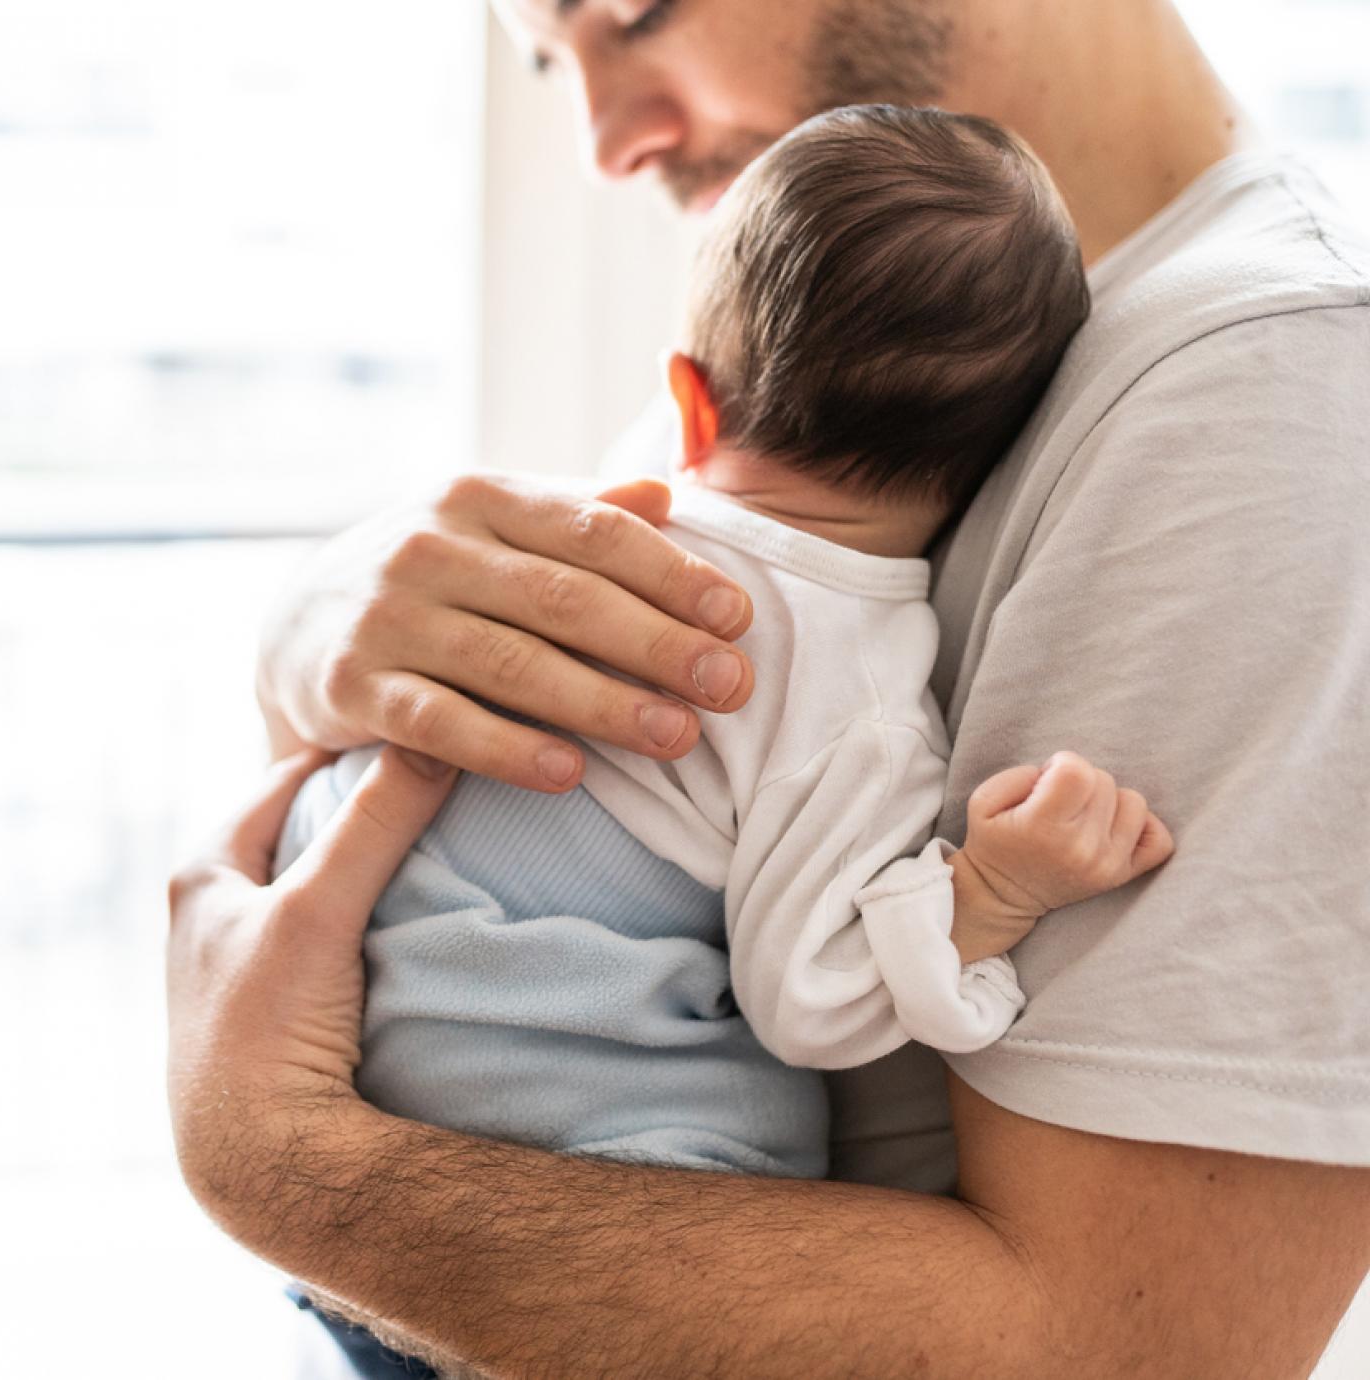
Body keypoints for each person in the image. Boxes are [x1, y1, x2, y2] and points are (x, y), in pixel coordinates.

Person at [167, 0, 1370, 1374]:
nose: (605, 141)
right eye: (550, 66)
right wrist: (311, 637)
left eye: (628, 13)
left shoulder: (1270, 392)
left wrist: (270, 1158)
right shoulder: (862, 322)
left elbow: (1112, 1353)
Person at [272, 105, 1177, 1373]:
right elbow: (811, 999)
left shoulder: (570, 551)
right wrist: (988, 893)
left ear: (687, 403)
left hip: (365, 1120)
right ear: (990, 465)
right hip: (574, 1170)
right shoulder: (849, 696)